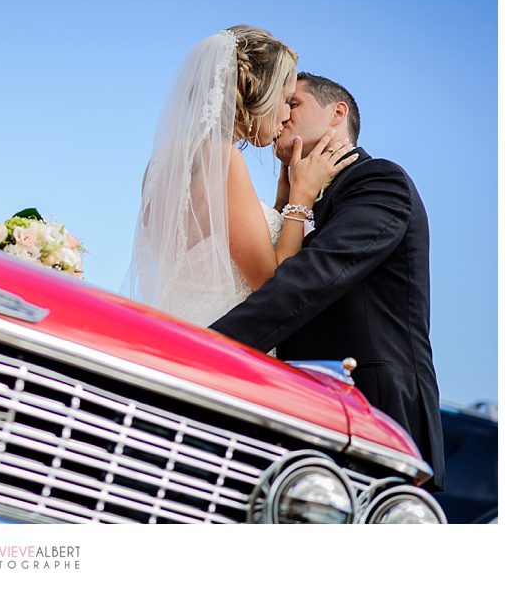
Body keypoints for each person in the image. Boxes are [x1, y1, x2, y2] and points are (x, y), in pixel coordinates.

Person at [209, 73, 445, 490]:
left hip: (377, 416)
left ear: (337, 113)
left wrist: (207, 349)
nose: (281, 116)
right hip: (310, 419)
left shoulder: (379, 181)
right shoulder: (309, 198)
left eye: (293, 104)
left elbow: (311, 279)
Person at [123, 26, 355, 327]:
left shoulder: (161, 165)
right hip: (222, 341)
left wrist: (279, 204)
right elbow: (272, 283)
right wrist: (300, 198)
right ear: (259, 92)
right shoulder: (223, 158)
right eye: (286, 100)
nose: (286, 115)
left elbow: (215, 251)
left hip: (182, 325)